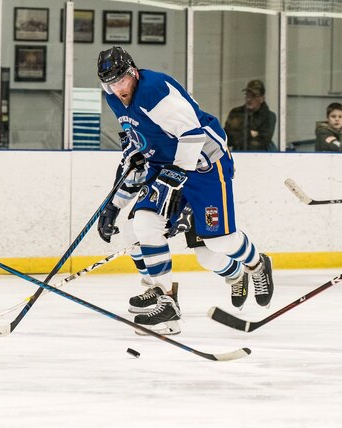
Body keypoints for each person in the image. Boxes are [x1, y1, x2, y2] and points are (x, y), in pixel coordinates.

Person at [96, 46, 275, 335]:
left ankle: (257, 264)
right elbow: (136, 150)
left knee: (218, 242)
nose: (117, 89)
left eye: (121, 80)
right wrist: (114, 205)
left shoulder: (154, 90)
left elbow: (193, 135)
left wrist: (175, 177)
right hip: (166, 166)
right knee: (142, 224)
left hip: (204, 164)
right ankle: (165, 301)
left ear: (133, 72)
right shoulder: (114, 98)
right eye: (110, 84)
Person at [96, 131, 250, 314]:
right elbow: (132, 169)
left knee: (208, 256)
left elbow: (205, 156)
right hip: (162, 190)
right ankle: (158, 290)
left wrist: (186, 210)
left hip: (195, 189)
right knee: (134, 230)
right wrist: (113, 206)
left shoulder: (173, 117)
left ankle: (237, 274)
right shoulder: (133, 123)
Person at [224, 80, 277, 151]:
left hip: (261, 157)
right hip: (238, 154)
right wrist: (250, 134)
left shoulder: (269, 117)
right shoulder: (236, 113)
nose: (249, 99)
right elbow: (227, 138)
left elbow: (262, 143)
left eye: (253, 96)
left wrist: (240, 134)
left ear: (262, 98)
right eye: (247, 94)